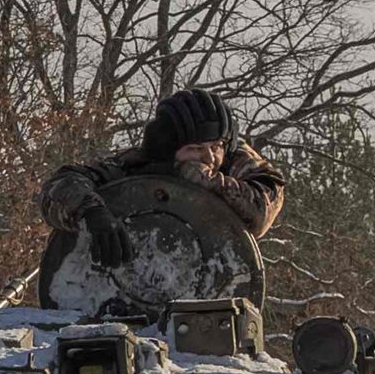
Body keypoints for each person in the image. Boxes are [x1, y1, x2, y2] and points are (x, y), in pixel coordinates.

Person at [33, 89, 284, 308]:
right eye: (195, 148)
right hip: (116, 297)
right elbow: (59, 186)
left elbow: (263, 207)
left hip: (215, 297)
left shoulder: (235, 161)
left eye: (216, 145)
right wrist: (91, 212)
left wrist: (205, 182)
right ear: (169, 148)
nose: (209, 157)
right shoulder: (136, 165)